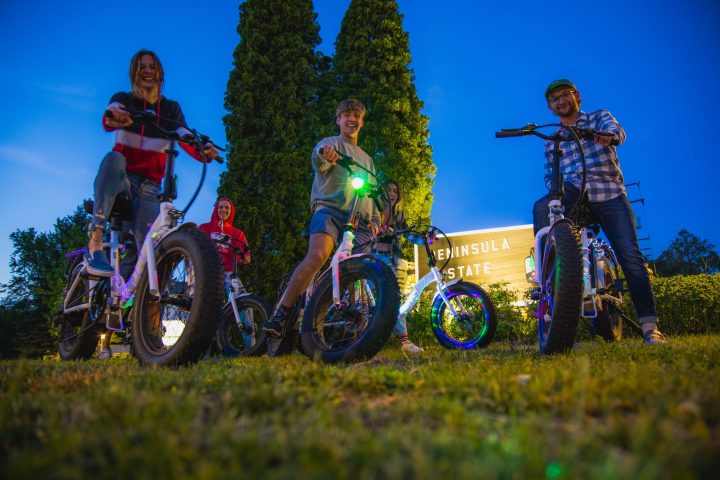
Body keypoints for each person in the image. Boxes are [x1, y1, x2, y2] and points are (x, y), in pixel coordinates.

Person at [532, 79, 666, 345]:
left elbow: (616, 131)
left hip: (608, 192)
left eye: (564, 95)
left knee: (630, 256)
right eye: (554, 99)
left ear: (576, 96)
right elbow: (550, 175)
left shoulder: (598, 117)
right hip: (574, 191)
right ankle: (547, 283)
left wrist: (609, 136)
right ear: (550, 107)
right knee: (541, 206)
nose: (560, 101)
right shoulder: (553, 138)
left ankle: (650, 327)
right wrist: (557, 194)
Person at [86, 49, 218, 278]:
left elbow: (183, 134)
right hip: (122, 182)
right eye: (142, 67)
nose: (147, 71)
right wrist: (117, 116)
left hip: (150, 190)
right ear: (134, 74)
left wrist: (202, 149)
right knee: (114, 159)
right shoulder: (124, 100)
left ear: (160, 74)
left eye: (152, 67)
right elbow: (111, 115)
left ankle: (134, 307)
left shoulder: (170, 110)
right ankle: (96, 239)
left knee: (148, 254)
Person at [263, 98, 381, 336]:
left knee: (360, 268)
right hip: (330, 210)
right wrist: (325, 155)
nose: (352, 119)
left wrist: (376, 219)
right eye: (347, 115)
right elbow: (319, 160)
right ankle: (281, 313)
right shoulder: (330, 143)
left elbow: (374, 193)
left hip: (359, 221)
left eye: (357, 116)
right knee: (317, 255)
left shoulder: (368, 160)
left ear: (362, 122)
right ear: (338, 120)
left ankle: (349, 320)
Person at [373, 181, 423, 353]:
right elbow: (365, 231)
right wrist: (378, 231)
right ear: (382, 192)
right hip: (372, 258)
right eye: (388, 190)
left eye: (395, 190)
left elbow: (408, 233)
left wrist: (426, 240)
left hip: (392, 260)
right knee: (369, 299)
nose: (392, 193)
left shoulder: (398, 214)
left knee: (396, 297)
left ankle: (405, 341)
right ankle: (363, 338)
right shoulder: (373, 209)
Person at [199, 197, 251, 281]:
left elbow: (247, 260)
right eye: (220, 207)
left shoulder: (238, 234)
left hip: (228, 274)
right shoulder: (204, 228)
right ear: (216, 209)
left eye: (227, 208)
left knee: (238, 292)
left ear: (231, 211)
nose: (223, 210)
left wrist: (242, 255)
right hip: (207, 271)